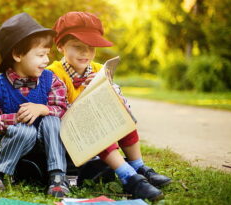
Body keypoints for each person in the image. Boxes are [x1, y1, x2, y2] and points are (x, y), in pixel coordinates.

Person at [47, 11, 171, 201]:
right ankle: (128, 176)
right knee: (96, 125)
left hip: (92, 132)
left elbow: (116, 100)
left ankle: (138, 166)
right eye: (77, 47)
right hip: (67, 135)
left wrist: (108, 93)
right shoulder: (52, 74)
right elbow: (56, 112)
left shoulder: (98, 70)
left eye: (90, 47)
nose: (85, 53)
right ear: (61, 46)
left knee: (121, 114)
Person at [0, 12, 69, 198]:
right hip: (17, 144)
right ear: (18, 54)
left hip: (48, 144)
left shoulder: (51, 79)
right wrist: (15, 119)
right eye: (40, 55)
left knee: (52, 121)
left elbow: (62, 108)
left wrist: (43, 109)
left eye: (47, 54)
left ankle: (58, 176)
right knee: (24, 129)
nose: (47, 60)